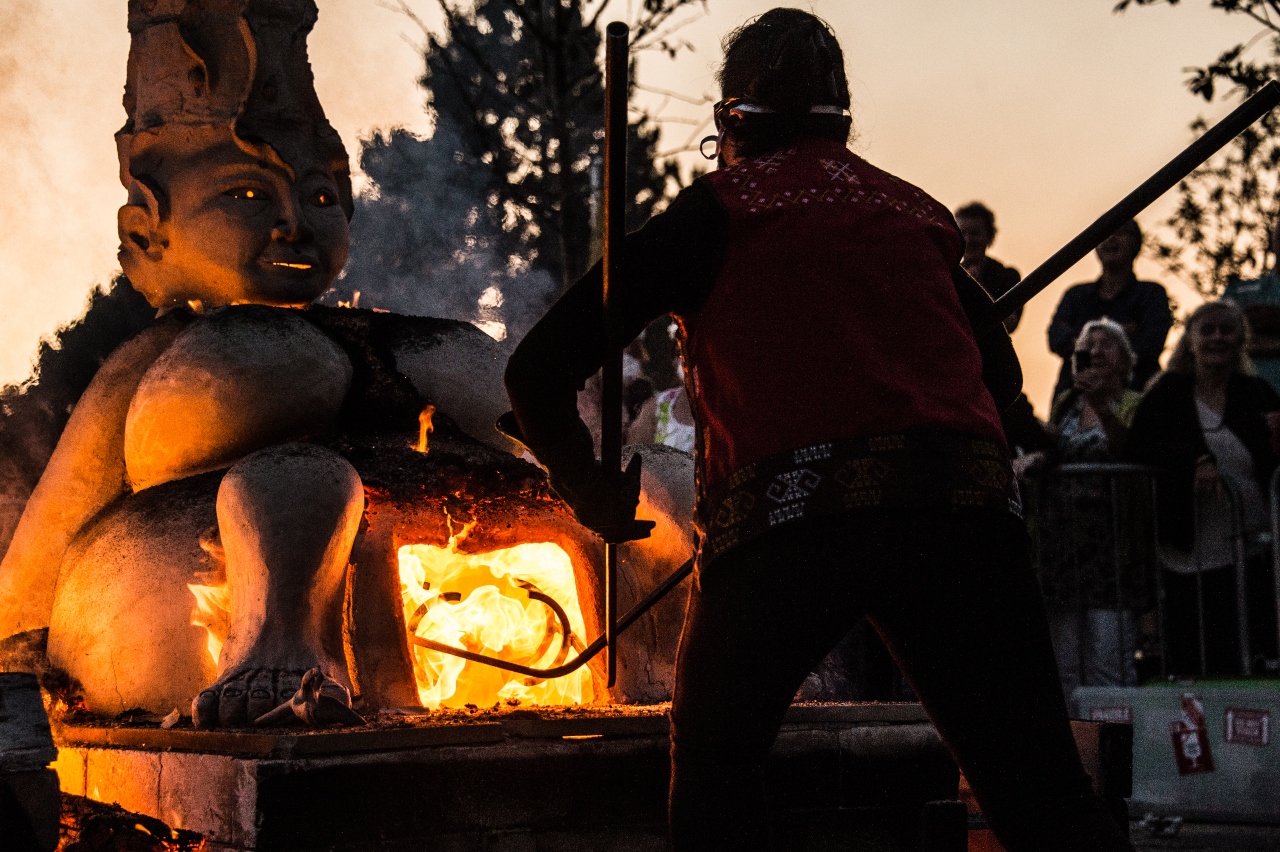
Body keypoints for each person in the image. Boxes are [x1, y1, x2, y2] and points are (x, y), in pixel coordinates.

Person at [505, 9, 1131, 850]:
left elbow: (535, 370)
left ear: (732, 121)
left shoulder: (715, 213)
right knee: (1042, 796)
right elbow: (1002, 377)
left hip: (788, 526)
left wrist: (590, 488)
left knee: (716, 781)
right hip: (963, 519)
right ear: (842, 115)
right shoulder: (917, 214)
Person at [1128, 300, 1280, 675]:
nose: (1217, 338)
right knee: (1196, 651)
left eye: (1226, 330)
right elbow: (1142, 443)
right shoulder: (1167, 392)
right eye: (1207, 330)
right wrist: (1195, 460)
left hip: (1251, 549)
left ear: (1241, 338)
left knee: (1250, 651)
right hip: (1189, 548)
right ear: (1190, 340)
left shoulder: (1257, 391)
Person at [1019, 319, 1150, 698]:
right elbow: (1059, 454)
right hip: (1063, 552)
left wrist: (1102, 409)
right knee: (1066, 670)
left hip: (1111, 554)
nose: (1094, 351)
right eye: (1087, 345)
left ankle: (1115, 750)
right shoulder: (1066, 403)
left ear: (1126, 363)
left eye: (1106, 344)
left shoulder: (1134, 404)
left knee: (1109, 665)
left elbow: (1133, 453)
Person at [1048, 219, 1172, 397]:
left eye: (1120, 233)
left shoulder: (1151, 294)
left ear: (1135, 243)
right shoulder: (1075, 295)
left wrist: (1082, 340)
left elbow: (1150, 346)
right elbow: (1056, 339)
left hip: (1134, 398)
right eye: (1104, 234)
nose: (1111, 239)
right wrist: (1121, 333)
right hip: (1075, 399)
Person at [956, 201, 1022, 332]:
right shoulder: (947, 274)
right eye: (963, 233)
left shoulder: (1007, 276)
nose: (968, 240)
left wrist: (978, 287)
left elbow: (1010, 324)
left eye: (975, 233)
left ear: (989, 236)